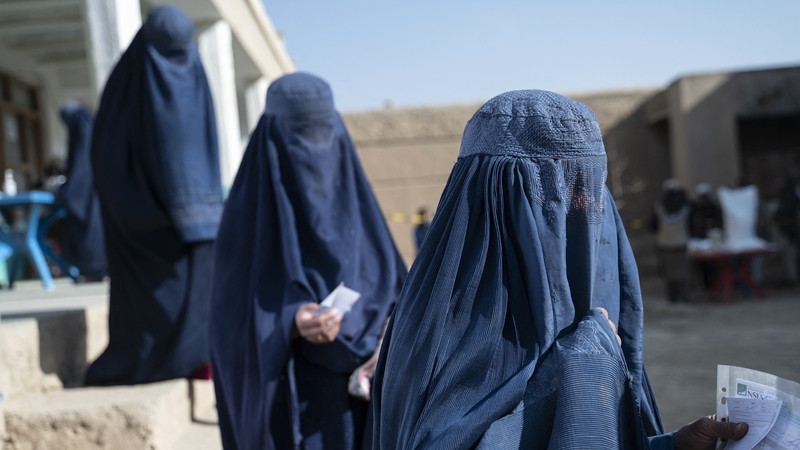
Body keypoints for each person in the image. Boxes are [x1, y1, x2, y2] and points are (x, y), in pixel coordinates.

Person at [372, 90, 748, 449]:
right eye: (565, 191)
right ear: (499, 198)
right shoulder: (445, 327)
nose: (585, 207)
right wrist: (587, 367)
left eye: (592, 189)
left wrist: (668, 446)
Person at [209, 72, 407, 450]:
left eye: (322, 134)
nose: (315, 149)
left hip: (363, 405)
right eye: (300, 136)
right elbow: (227, 326)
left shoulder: (359, 210)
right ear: (272, 139)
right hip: (292, 403)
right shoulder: (245, 226)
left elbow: (394, 287)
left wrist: (386, 334)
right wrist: (290, 321)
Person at [86, 5, 222, 385]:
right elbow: (108, 160)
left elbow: (200, 148)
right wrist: (150, 208)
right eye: (166, 55)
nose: (174, 67)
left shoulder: (192, 79)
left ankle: (195, 359)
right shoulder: (123, 98)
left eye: (180, 55)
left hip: (191, 218)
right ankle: (157, 361)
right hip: (138, 225)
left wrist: (196, 206)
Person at [57, 101, 107, 281]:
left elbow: (80, 164)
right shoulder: (91, 122)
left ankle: (92, 267)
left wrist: (66, 189)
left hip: (86, 188)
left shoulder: (80, 122)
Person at [652, 178, 692, 301]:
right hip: (681, 243)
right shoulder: (686, 207)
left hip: (664, 244)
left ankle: (672, 297)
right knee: (683, 271)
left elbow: (653, 226)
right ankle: (684, 296)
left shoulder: (659, 206)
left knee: (669, 272)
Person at [689, 183, 721, 288]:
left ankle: (715, 285)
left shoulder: (713, 206)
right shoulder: (694, 207)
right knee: (702, 265)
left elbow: (718, 221)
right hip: (699, 240)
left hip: (713, 238)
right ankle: (707, 285)